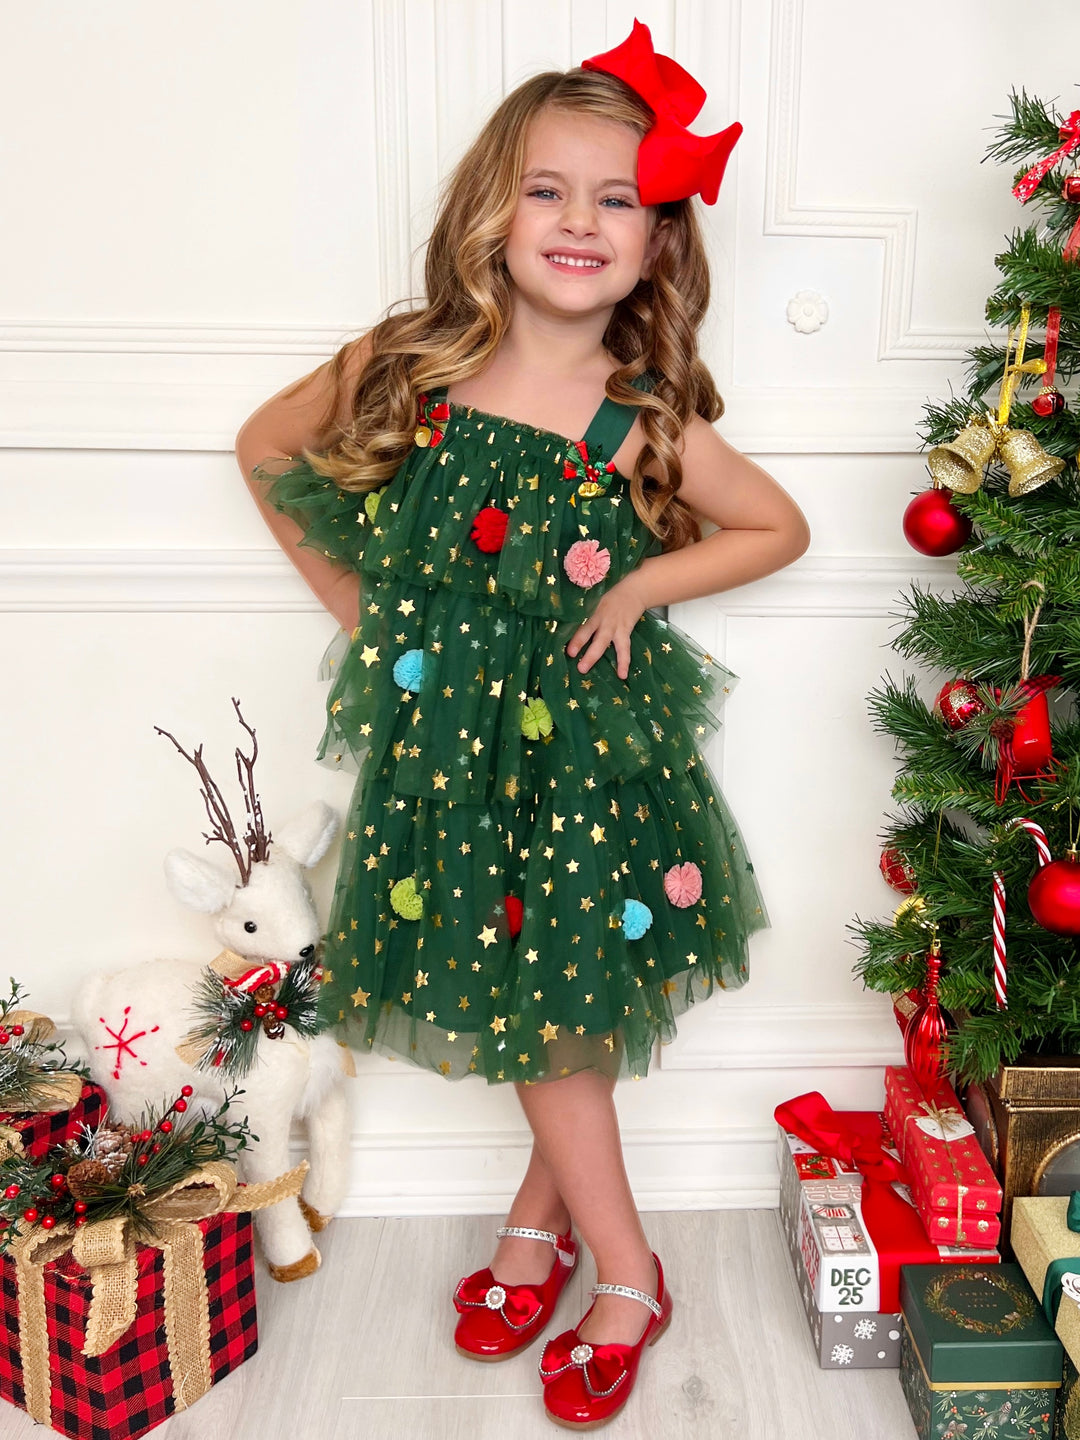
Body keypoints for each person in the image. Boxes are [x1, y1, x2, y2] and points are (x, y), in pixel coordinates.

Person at [235, 18, 809, 1430]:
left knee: (558, 1014)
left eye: (618, 199)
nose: (580, 221)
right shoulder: (411, 369)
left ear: (659, 244)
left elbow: (776, 526)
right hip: (450, 769)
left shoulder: (637, 417)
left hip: (586, 768)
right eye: (550, 189)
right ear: (494, 212)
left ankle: (629, 1272)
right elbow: (266, 448)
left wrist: (642, 580)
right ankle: (537, 1230)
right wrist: (366, 613)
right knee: (544, 1002)